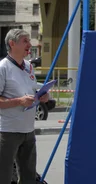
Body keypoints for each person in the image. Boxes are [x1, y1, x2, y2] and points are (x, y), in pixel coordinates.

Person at [0, 29, 49, 183]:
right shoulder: (3, 67)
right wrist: (19, 101)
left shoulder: (29, 66)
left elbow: (31, 89)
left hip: (28, 131)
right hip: (7, 132)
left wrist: (42, 96)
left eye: (29, 40)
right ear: (12, 44)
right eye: (25, 41)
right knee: (4, 177)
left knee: (28, 178)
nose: (30, 44)